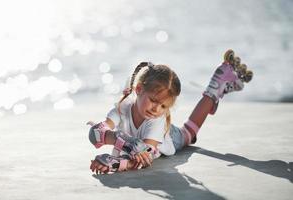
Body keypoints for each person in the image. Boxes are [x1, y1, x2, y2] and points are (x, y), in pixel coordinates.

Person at [87, 49, 253, 174]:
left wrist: (114, 164)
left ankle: (216, 87)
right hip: (143, 140)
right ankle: (220, 84)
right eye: (153, 100)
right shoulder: (123, 106)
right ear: (138, 89)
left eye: (164, 106)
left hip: (168, 137)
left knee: (188, 133)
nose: (156, 109)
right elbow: (96, 133)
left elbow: (145, 155)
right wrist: (119, 139)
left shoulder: (157, 119)